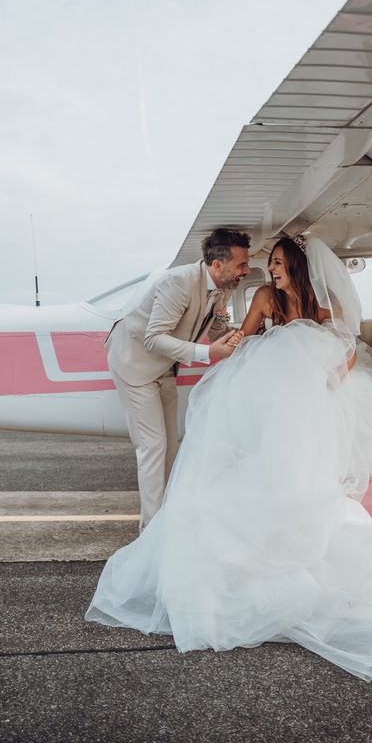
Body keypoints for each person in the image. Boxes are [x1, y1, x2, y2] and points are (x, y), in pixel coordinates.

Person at [87, 235, 372, 681]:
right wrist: (225, 351)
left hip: (306, 398)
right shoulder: (260, 297)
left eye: (275, 262)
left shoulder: (322, 312)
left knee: (294, 467)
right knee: (160, 449)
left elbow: (346, 347)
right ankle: (164, 529)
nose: (265, 269)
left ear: (296, 265)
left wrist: (332, 377)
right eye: (258, 262)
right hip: (211, 381)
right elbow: (241, 337)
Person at [105, 227, 251, 530]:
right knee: (153, 447)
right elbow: (153, 337)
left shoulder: (222, 287)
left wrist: (226, 330)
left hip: (165, 367)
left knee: (171, 445)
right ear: (217, 265)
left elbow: (209, 331)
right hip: (135, 364)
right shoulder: (178, 282)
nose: (246, 271)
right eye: (241, 264)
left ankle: (168, 517)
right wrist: (209, 352)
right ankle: (151, 531)